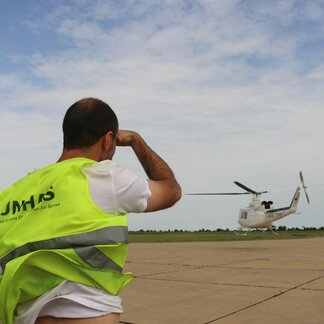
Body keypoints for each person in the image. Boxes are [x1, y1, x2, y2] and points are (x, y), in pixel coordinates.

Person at [0, 97, 181, 324]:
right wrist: (137, 141)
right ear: (107, 140)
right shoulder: (104, 176)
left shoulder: (15, 192)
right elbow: (170, 190)